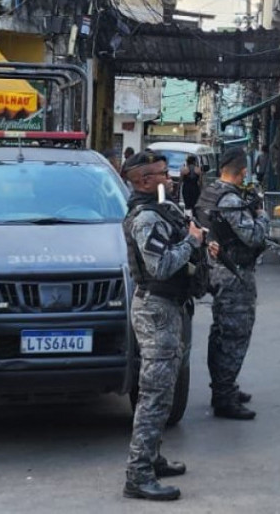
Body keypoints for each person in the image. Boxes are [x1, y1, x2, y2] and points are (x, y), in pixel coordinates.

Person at [120, 150, 208, 502]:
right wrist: (192, 242)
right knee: (154, 395)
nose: (168, 179)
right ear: (143, 181)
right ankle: (138, 474)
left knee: (164, 390)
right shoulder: (144, 218)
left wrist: (199, 244)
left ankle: (153, 458)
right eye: (160, 174)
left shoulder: (161, 210)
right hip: (156, 310)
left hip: (169, 307)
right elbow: (161, 265)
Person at [194, 148, 268, 421]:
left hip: (217, 268)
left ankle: (225, 388)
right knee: (234, 335)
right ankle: (223, 396)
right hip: (233, 272)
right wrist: (261, 214)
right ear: (243, 172)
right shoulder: (229, 199)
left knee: (222, 332)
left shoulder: (210, 191)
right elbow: (253, 236)